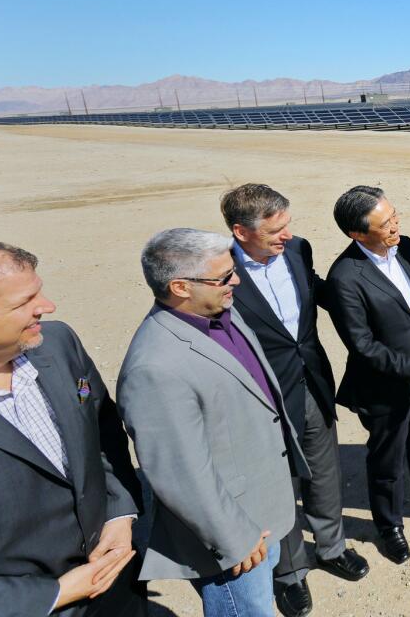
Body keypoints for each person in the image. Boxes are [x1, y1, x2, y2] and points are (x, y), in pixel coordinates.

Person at [118, 228, 304, 617]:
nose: (236, 281)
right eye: (222, 277)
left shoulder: (219, 313)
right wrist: (235, 537)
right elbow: (180, 473)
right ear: (181, 287)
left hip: (263, 509)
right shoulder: (155, 367)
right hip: (233, 537)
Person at [222, 184, 368, 617]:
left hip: (312, 382)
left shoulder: (299, 249)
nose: (286, 236)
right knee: (278, 488)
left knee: (324, 472)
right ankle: (289, 572)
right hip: (263, 398)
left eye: (287, 226)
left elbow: (321, 292)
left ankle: (332, 546)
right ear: (240, 232)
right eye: (275, 231)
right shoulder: (216, 268)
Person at [0, 240, 146, 617]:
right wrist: (53, 594)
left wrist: (119, 513)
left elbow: (102, 430)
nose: (46, 306)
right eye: (23, 302)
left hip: (118, 586)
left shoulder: (57, 343)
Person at [328, 185, 410, 565]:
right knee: (387, 460)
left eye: (394, 216)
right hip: (385, 388)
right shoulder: (345, 277)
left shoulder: (409, 247)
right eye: (385, 223)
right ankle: (389, 526)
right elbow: (363, 346)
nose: (395, 225)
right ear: (357, 234)